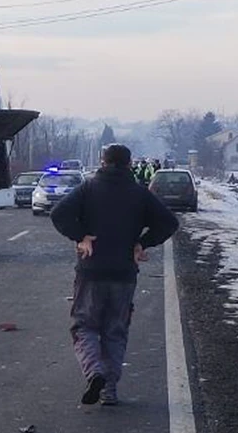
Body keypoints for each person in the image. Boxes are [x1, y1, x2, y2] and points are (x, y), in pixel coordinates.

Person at [51, 145, 178, 406]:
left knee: (84, 326)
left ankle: (94, 371)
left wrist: (81, 236)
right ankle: (109, 390)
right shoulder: (140, 193)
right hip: (124, 273)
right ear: (130, 164)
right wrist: (143, 243)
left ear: (102, 162)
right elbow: (169, 222)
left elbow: (58, 213)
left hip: (91, 270)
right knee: (115, 331)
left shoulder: (88, 188)